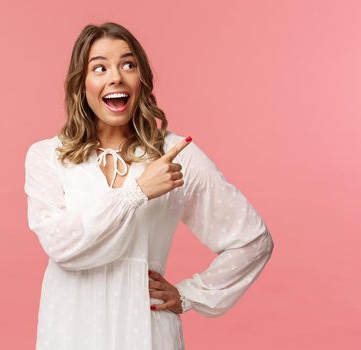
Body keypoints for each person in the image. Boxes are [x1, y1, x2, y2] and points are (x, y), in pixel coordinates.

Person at [23, 22, 274, 350]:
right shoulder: (47, 157)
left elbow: (252, 240)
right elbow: (62, 246)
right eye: (100, 68)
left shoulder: (173, 154)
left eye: (128, 65)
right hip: (71, 330)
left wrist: (189, 296)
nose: (116, 77)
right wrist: (137, 192)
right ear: (80, 83)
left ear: (141, 79)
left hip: (145, 331)